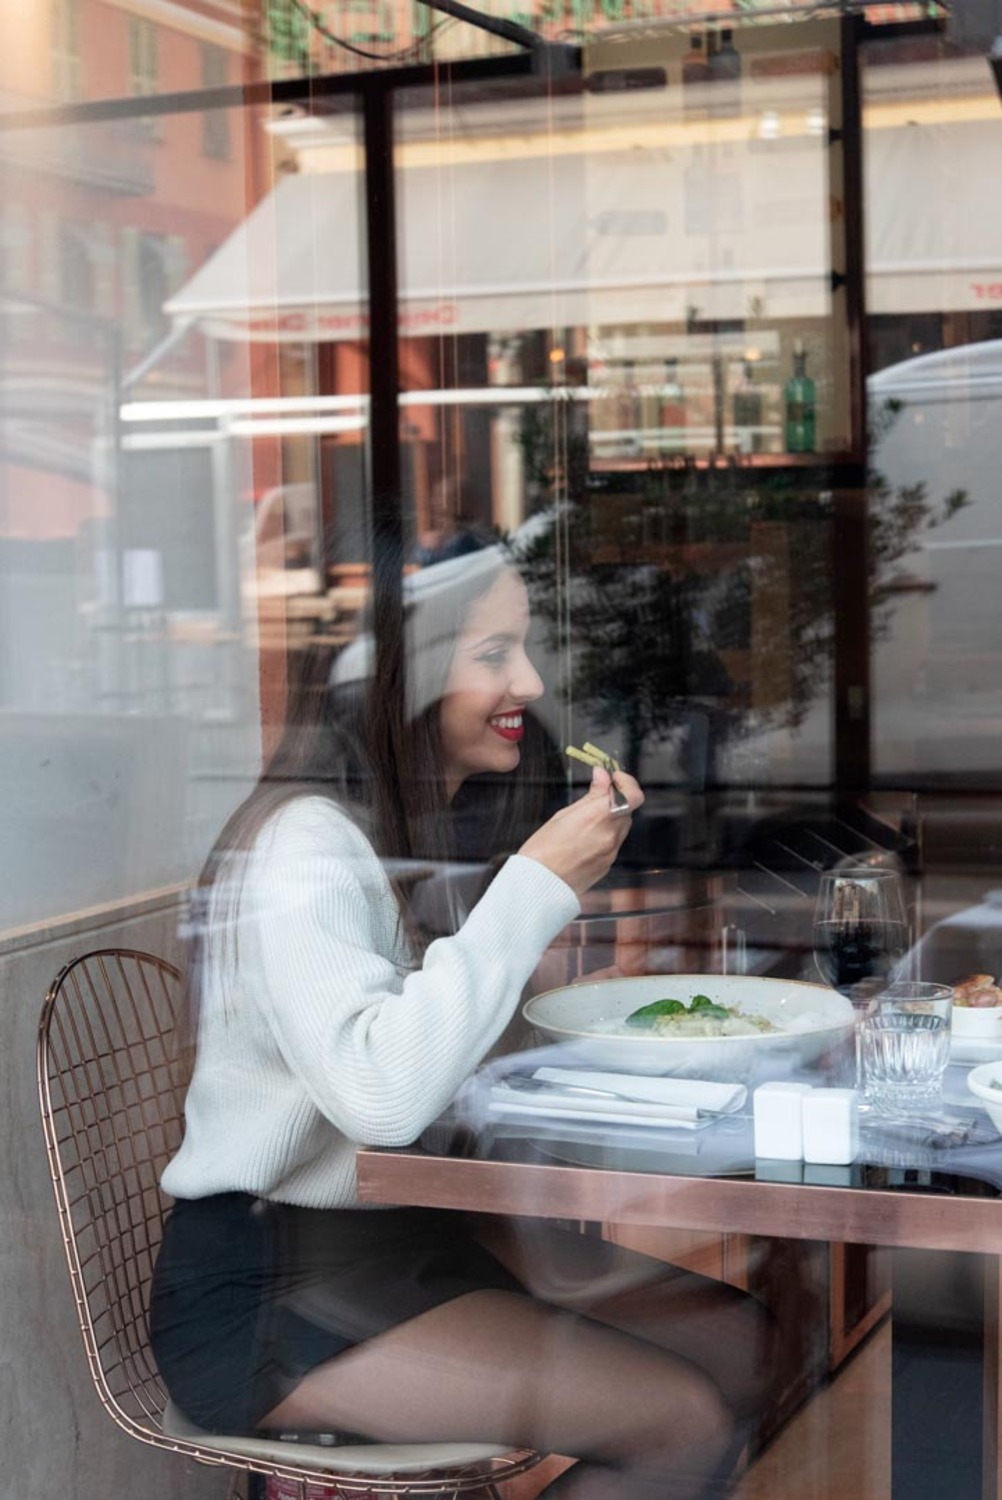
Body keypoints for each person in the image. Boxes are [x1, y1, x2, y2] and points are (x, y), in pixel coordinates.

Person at [149, 544, 776, 1500]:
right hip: (275, 1288)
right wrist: (535, 888)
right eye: (491, 653)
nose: (527, 679)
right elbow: (384, 1098)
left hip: (410, 1241)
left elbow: (458, 1063)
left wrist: (586, 996)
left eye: (522, 648)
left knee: (747, 1343)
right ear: (404, 673)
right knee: (677, 1420)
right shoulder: (305, 845)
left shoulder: (411, 827)